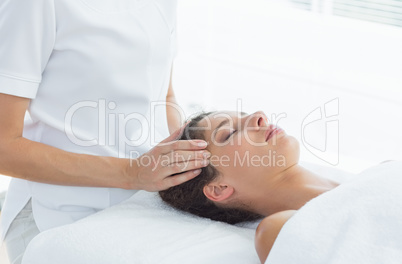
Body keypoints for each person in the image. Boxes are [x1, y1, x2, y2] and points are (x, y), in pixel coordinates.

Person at [0, 0, 211, 263]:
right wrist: (133, 172)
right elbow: (4, 148)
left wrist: (195, 157)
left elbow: (163, 96)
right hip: (56, 212)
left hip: (141, 206)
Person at [159, 110, 340, 263]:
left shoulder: (362, 182)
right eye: (230, 133)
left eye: (244, 114)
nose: (259, 116)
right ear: (219, 188)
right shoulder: (280, 232)